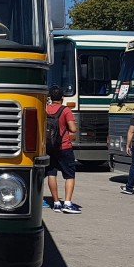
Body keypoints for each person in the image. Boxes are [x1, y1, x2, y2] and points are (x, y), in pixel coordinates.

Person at [45, 85, 81, 213]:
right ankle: (67, 203)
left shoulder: (45, 109)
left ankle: (56, 203)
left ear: (50, 97)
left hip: (49, 147)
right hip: (64, 146)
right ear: (62, 97)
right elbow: (73, 129)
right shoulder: (65, 110)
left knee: (51, 174)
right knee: (69, 175)